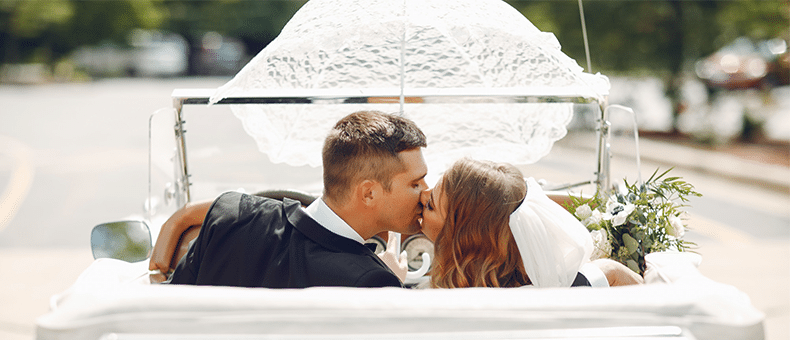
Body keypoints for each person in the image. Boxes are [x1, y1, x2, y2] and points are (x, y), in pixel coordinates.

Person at [159, 110, 428, 288]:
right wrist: (392, 285)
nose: (426, 192)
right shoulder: (373, 282)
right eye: (415, 183)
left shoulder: (230, 214)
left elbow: (168, 309)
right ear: (368, 193)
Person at [420, 158, 644, 288]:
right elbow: (614, 271)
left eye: (431, 206)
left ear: (464, 236)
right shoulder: (559, 292)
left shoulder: (438, 299)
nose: (422, 195)